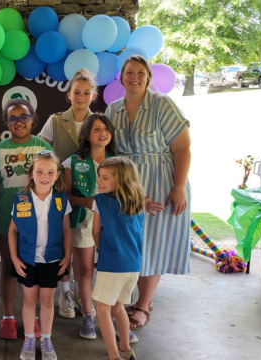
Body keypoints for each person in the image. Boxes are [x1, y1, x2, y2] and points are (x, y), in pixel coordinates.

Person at [105, 55, 191, 330]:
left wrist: (178, 187)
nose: (135, 77)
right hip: (128, 185)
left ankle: (143, 304)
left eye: (140, 73)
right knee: (135, 243)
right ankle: (138, 299)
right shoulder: (112, 110)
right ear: (121, 76)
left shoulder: (162, 104)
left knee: (155, 243)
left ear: (148, 77)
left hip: (161, 182)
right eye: (129, 72)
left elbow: (182, 148)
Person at [0, 98, 53, 340]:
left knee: (33, 269)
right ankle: (7, 317)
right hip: (6, 219)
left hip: (39, 221)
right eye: (12, 118)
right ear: (6, 122)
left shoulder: (44, 148)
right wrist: (4, 208)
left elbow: (53, 180)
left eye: (24, 116)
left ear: (32, 118)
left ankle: (30, 317)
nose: (19, 122)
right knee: (9, 267)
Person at [39, 69, 98, 321]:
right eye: (77, 92)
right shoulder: (55, 121)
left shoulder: (99, 123)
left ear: (93, 96)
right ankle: (65, 293)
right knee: (62, 247)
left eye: (86, 92)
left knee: (85, 251)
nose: (81, 97)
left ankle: (84, 299)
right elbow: (42, 150)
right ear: (68, 95)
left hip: (90, 198)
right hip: (63, 194)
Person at [8, 150, 72, 360]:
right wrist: (15, 259)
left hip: (52, 259)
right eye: (40, 171)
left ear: (57, 175)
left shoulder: (61, 199)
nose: (45, 177)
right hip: (28, 260)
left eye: (50, 172)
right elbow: (12, 230)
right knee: (29, 299)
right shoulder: (21, 198)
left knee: (47, 300)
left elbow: (67, 230)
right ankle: (28, 339)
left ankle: (46, 339)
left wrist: (67, 255)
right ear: (32, 174)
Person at [62, 113, 115, 340]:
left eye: (106, 128)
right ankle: (88, 314)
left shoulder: (118, 161)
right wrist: (90, 202)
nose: (102, 133)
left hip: (112, 224)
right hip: (83, 221)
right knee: (85, 269)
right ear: (86, 134)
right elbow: (65, 195)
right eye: (96, 129)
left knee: (111, 270)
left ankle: (114, 313)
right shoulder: (72, 162)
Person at [91, 156, 146, 360]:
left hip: (112, 263)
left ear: (121, 180)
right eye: (99, 176)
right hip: (133, 265)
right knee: (118, 307)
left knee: (102, 310)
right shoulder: (137, 202)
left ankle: (114, 356)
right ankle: (125, 347)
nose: (99, 181)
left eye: (105, 178)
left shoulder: (100, 201)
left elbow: (96, 233)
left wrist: (100, 249)